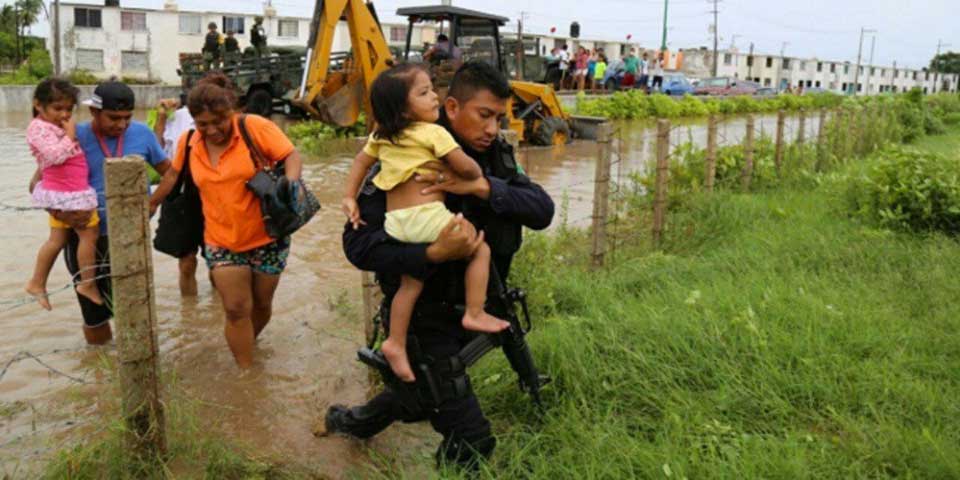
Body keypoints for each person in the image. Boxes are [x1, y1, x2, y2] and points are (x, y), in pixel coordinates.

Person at [324, 61, 554, 470]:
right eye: (484, 115)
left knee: (417, 396)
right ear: (451, 107)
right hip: (423, 317)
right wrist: (429, 255)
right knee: (472, 439)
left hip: (474, 306)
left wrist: (482, 187)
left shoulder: (496, 158)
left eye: (499, 118)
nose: (492, 128)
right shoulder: (405, 151)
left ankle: (350, 424)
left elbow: (541, 210)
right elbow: (357, 245)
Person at [342, 64, 510, 382]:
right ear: (403, 109)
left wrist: (349, 197)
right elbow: (469, 170)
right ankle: (475, 312)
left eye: (432, 89)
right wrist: (472, 177)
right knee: (479, 249)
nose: (435, 96)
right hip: (426, 219)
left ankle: (395, 342)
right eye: (424, 92)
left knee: (410, 283)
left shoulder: (382, 136)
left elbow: (360, 162)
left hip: (396, 225)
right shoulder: (434, 133)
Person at [150, 73, 303, 369]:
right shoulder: (189, 141)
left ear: (231, 110)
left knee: (261, 305)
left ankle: (247, 344)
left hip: (268, 235)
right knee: (235, 309)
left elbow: (291, 155)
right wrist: (152, 202)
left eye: (218, 121)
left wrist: (290, 184)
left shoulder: (254, 127)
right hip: (221, 240)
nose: (212, 130)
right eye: (202, 124)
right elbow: (173, 174)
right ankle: (246, 374)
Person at [29, 81, 171, 344]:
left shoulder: (143, 134)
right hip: (83, 238)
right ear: (94, 112)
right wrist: (59, 213)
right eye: (113, 118)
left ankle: (133, 364)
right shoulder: (73, 135)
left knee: (134, 308)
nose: (121, 125)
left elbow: (170, 173)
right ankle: (99, 362)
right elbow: (37, 183)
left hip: (130, 238)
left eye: (127, 117)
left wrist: (153, 203)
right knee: (94, 314)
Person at [24, 78, 102, 310]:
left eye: (69, 109)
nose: (64, 114)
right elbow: (55, 157)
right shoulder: (38, 128)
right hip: (69, 193)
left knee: (57, 240)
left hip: (64, 191)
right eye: (58, 108)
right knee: (89, 235)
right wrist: (70, 135)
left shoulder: (48, 126)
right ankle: (87, 284)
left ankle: (37, 282)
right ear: (38, 105)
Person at [152, 95, 202, 296]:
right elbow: (157, 150)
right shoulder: (179, 117)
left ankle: (220, 302)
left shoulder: (227, 120)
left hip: (215, 195)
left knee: (219, 260)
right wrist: (161, 118)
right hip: (182, 194)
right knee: (187, 260)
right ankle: (189, 309)